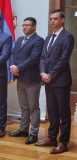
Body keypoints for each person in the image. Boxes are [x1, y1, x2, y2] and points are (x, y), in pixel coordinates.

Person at [35, 10, 74, 154]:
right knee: (52, 111)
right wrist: (42, 72)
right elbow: (42, 58)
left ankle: (63, 142)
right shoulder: (48, 37)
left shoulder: (68, 37)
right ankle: (52, 138)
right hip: (48, 80)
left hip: (61, 81)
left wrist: (50, 74)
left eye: (55, 19)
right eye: (51, 19)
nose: (52, 21)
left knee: (63, 113)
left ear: (62, 20)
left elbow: (64, 60)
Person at [9, 17, 44, 144]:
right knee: (23, 107)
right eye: (23, 25)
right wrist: (12, 67)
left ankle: (34, 133)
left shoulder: (38, 40)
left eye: (27, 25)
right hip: (20, 78)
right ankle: (23, 130)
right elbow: (13, 54)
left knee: (33, 107)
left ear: (34, 27)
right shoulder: (19, 40)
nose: (24, 27)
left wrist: (18, 67)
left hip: (32, 80)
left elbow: (34, 58)